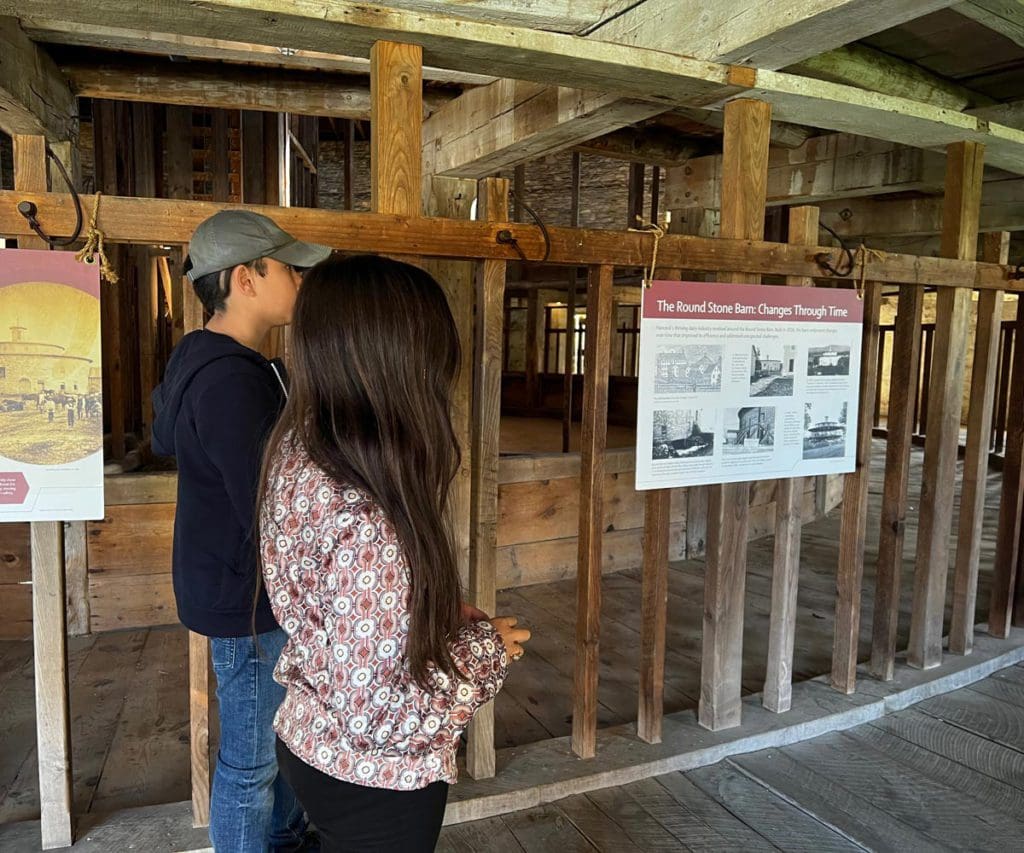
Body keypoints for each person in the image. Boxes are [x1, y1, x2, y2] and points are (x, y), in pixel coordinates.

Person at [258, 256, 530, 852]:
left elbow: (339, 611)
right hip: (370, 780)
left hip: (311, 736)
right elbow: (379, 717)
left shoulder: (301, 453)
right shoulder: (369, 517)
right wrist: (487, 653)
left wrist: (419, 607)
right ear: (401, 368)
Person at [152, 210, 331, 853]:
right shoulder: (231, 379)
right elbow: (269, 505)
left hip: (236, 586)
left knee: (276, 740)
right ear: (244, 279)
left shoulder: (215, 362)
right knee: (251, 762)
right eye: (288, 267)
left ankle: (284, 838)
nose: (300, 282)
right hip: (246, 598)